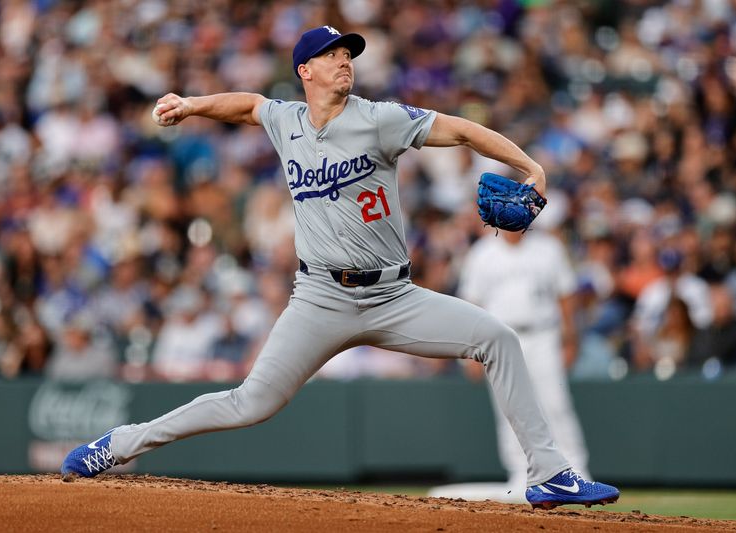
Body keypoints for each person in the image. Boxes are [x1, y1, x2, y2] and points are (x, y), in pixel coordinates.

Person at [62, 26, 619, 509]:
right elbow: (250, 104)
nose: (345, 61)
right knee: (250, 402)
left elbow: (463, 130)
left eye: (348, 54)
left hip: (395, 297)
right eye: (333, 55)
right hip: (320, 299)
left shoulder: (380, 120)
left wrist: (528, 165)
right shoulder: (287, 121)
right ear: (305, 70)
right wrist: (192, 103)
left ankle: (549, 475)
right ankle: (119, 445)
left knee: (497, 338)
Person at [429, 227, 590, 503]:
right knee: (509, 409)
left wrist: (570, 338)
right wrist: (471, 351)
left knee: (555, 403)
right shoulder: (483, 253)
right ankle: (523, 474)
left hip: (543, 334)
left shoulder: (547, 247)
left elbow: (565, 295)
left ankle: (576, 471)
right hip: (500, 339)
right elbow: (472, 304)